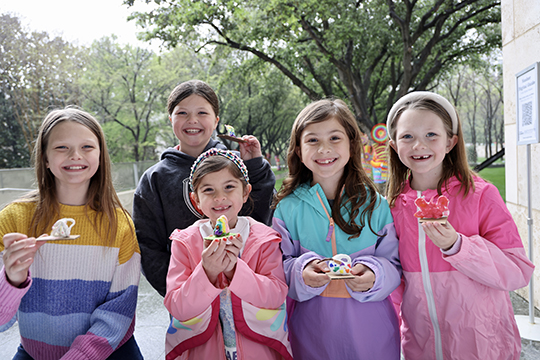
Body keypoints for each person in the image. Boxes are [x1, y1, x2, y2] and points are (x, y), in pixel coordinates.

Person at [385, 91, 535, 360]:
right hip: (420, 345)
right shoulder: (393, 206)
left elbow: (517, 271)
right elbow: (395, 283)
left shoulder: (480, 196)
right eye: (408, 136)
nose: (419, 145)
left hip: (481, 344)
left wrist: (458, 246)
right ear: (395, 146)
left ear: (451, 142)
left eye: (431, 135)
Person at [0, 108, 143, 359]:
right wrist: (11, 279)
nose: (75, 155)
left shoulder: (120, 224)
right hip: (35, 353)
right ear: (45, 158)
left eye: (87, 147)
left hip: (110, 352)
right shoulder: (13, 220)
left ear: (100, 155)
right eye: (61, 148)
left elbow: (119, 312)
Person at [272, 98, 402, 359]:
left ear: (352, 145)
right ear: (298, 149)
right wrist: (302, 272)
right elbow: (276, 268)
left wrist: (374, 275)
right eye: (312, 140)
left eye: (334, 138)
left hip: (373, 334)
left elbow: (395, 265)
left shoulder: (376, 205)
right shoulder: (287, 209)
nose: (324, 149)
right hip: (310, 334)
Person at [133, 80, 275, 297]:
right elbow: (148, 246)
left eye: (202, 112)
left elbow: (263, 217)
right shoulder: (154, 178)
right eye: (182, 113)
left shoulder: (239, 164)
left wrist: (255, 167)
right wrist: (181, 292)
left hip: (247, 289)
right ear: (170, 118)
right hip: (190, 298)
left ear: (216, 120)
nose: (192, 121)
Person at [164, 149, 291, 360]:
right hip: (203, 351)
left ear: (245, 192)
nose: (220, 197)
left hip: (258, 349)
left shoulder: (264, 239)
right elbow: (178, 307)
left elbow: (276, 295)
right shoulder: (185, 243)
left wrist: (235, 270)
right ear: (196, 200)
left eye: (229, 187)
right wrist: (207, 272)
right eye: (208, 190)